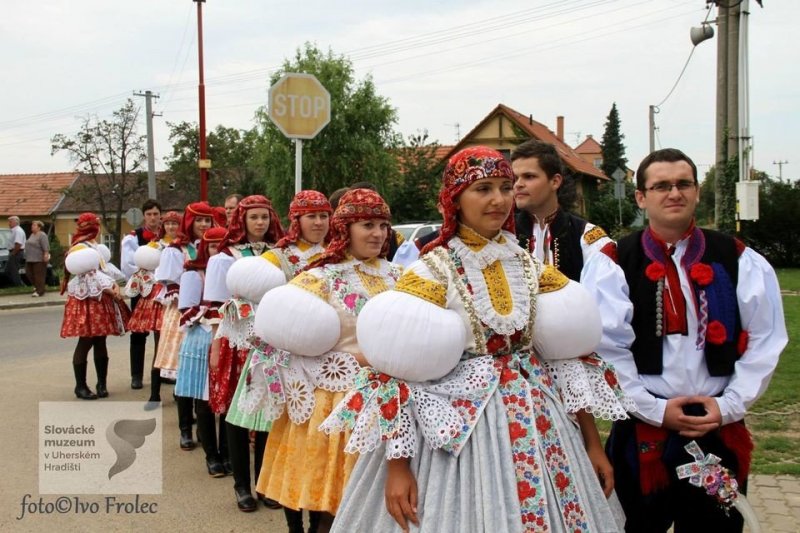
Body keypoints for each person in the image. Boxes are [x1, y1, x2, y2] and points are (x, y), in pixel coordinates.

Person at [327, 147, 625, 533]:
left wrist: (592, 444)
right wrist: (398, 468)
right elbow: (398, 373)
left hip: (542, 426)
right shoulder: (433, 268)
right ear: (455, 199)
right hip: (458, 438)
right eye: (482, 188)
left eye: (505, 186)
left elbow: (564, 357)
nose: (499, 199)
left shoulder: (531, 265)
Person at [605, 148, 788, 532]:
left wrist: (730, 405)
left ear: (697, 191)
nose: (674, 193)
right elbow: (607, 347)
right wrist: (652, 409)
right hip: (643, 429)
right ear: (641, 197)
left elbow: (766, 338)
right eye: (661, 186)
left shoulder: (737, 257)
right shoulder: (614, 261)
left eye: (683, 184)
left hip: (716, 426)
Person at [253, 188, 401, 533]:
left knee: (372, 508)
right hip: (333, 403)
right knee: (327, 501)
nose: (378, 233)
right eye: (367, 224)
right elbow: (278, 336)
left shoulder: (400, 277)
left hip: (388, 403)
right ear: (345, 228)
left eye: (383, 225)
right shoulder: (319, 278)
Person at [223, 190, 332, 521]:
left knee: (302, 430)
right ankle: (245, 485)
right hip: (275, 354)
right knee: (248, 420)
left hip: (322, 358)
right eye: (311, 215)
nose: (319, 222)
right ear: (296, 220)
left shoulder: (334, 255)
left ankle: (289, 491)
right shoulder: (278, 256)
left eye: (324, 215)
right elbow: (245, 294)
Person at [205, 195, 285, 512]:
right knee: (237, 414)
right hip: (237, 340)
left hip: (270, 339)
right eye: (253, 217)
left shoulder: (279, 254)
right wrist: (215, 345)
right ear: (241, 220)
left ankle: (264, 484)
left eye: (264, 217)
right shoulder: (224, 255)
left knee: (267, 411)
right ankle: (241, 486)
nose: (260, 223)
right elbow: (214, 305)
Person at [154, 202, 215, 450]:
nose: (203, 225)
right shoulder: (176, 249)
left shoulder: (215, 247)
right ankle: (184, 429)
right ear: (189, 222)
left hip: (209, 315)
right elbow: (169, 285)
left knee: (205, 374)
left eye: (207, 221)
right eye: (199, 220)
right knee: (185, 372)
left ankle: (204, 426)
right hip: (182, 312)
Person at [174, 226, 229, 478]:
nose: (217, 251)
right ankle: (212, 456)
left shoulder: (234, 269)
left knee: (228, 400)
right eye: (213, 246)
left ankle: (227, 453)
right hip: (202, 338)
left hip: (228, 336)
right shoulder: (193, 274)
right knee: (205, 401)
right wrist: (210, 308)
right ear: (204, 248)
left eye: (221, 245)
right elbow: (185, 310)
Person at [60, 213, 130, 400]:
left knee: (100, 340)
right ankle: (80, 386)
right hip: (87, 298)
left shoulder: (92, 247)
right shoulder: (80, 248)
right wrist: (111, 289)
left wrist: (113, 285)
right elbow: (91, 276)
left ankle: (101, 383)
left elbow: (104, 270)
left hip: (98, 298)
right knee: (86, 340)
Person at [121, 199, 162, 390]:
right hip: (142, 289)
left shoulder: (167, 236)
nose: (153, 217)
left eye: (155, 214)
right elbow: (128, 265)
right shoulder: (133, 238)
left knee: (161, 332)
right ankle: (136, 375)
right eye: (149, 214)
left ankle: (160, 371)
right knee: (138, 332)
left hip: (162, 290)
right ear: (144, 216)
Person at [25, 220, 50, 297]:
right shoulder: (32, 235)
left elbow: (45, 247)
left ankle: (39, 291)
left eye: (34, 225)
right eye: (32, 225)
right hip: (29, 258)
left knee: (39, 275)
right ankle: (38, 287)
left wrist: (46, 256)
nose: (32, 226)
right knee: (28, 273)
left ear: (39, 227)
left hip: (39, 259)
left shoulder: (42, 235)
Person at [6, 215, 26, 286]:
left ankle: (20, 285)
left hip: (16, 252)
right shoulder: (14, 231)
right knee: (9, 270)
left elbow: (18, 244)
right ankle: (15, 284)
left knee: (13, 270)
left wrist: (13, 253)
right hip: (14, 252)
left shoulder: (18, 231)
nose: (9, 223)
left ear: (15, 222)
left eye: (10, 222)